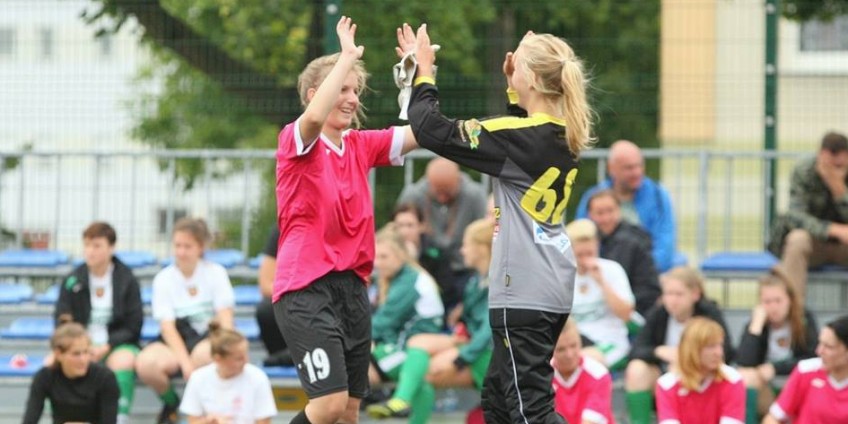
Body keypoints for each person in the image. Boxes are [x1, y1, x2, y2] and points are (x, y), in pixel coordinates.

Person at [402, 22, 593, 423]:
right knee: (499, 402)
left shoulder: (521, 137)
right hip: (549, 283)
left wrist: (424, 73)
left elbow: (429, 128)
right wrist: (513, 89)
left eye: (518, 63)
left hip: (522, 288)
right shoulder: (561, 133)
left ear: (534, 79)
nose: (511, 65)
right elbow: (514, 144)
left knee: (529, 412)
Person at [273, 16, 418, 424]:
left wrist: (421, 76)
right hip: (305, 288)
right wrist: (347, 56)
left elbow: (422, 132)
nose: (352, 98)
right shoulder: (297, 140)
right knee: (328, 406)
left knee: (349, 413)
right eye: (343, 89)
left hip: (352, 289)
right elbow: (312, 120)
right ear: (315, 94)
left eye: (356, 90)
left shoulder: (360, 145)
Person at [367, 219, 493, 424]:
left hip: (484, 353)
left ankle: (401, 401)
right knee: (417, 356)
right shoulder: (476, 281)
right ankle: (402, 402)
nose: (462, 250)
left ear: (481, 248)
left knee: (418, 368)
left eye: (466, 245)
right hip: (460, 343)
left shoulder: (409, 281)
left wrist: (462, 358)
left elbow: (489, 328)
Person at [136, 217, 235, 424]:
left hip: (207, 336)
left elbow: (225, 317)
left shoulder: (216, 273)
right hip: (177, 338)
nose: (181, 252)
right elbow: (167, 327)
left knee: (206, 356)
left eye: (187, 246)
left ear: (200, 247)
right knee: (145, 363)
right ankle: (172, 403)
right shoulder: (163, 278)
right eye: (177, 245)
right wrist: (185, 363)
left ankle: (204, 412)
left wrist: (226, 346)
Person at [52, 221, 142, 423]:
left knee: (122, 361)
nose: (90, 251)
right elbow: (62, 321)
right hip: (81, 343)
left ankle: (120, 417)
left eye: (97, 245)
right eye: (87, 245)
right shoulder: (73, 279)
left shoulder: (127, 279)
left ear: (111, 247)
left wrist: (107, 346)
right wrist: (81, 347)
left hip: (116, 345)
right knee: (52, 362)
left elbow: (134, 325)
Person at [624, 266, 734, 424]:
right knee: (637, 369)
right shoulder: (659, 313)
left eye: (679, 294)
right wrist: (658, 351)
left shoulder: (709, 314)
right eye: (668, 294)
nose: (673, 300)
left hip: (702, 378)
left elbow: (726, 352)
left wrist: (687, 361)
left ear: (695, 294)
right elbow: (636, 349)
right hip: (665, 376)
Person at [366, 225, 444, 422]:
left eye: (384, 257)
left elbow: (382, 323)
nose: (377, 263)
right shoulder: (401, 278)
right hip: (405, 346)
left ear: (400, 255)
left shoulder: (409, 282)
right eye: (376, 257)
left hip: (412, 350)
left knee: (354, 370)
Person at [396, 157, 488, 313]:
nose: (442, 198)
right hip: (426, 266)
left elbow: (485, 232)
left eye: (448, 192)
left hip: (464, 270)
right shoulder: (414, 195)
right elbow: (396, 230)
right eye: (438, 192)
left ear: (458, 181)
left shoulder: (474, 195)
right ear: (428, 183)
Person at [769, 132, 848, 302]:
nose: (837, 170)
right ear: (822, 156)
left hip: (843, 247)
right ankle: (794, 311)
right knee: (797, 239)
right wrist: (832, 230)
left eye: (841, 166)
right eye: (833, 165)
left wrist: (839, 191)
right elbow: (796, 216)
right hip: (813, 244)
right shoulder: (804, 171)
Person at [576, 140, 677, 272]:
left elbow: (665, 243)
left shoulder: (658, 195)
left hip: (648, 271)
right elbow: (581, 238)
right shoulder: (594, 197)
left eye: (639, 166)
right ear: (611, 169)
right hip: (602, 272)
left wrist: (643, 272)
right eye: (629, 168)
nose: (637, 172)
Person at [736, 265, 818, 423]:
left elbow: (812, 357)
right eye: (767, 302)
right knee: (745, 376)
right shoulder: (757, 323)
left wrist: (775, 368)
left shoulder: (804, 320)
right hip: (766, 386)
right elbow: (744, 362)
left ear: (789, 300)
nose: (773, 307)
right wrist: (756, 326)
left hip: (795, 381)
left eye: (778, 301)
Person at [565, 218, 635, 371]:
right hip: (573, 343)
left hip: (609, 343)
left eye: (590, 253)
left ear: (597, 245)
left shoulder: (612, 270)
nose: (585, 259)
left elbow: (626, 314)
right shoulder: (562, 274)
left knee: (584, 362)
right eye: (579, 254)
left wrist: (601, 282)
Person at [180, 322, 278, 423]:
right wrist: (209, 421)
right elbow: (193, 421)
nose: (246, 361)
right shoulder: (198, 378)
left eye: (246, 355)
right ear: (218, 359)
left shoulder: (258, 377)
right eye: (239, 358)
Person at [23, 322, 120, 424]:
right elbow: (30, 419)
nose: (83, 360)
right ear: (58, 354)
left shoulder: (105, 377)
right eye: (76, 354)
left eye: (86, 352)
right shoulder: (45, 377)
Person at [654, 317, 745, 424]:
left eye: (720, 345)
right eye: (711, 346)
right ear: (691, 349)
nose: (719, 352)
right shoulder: (666, 385)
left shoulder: (732, 380)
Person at [586, 189, 661, 316]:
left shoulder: (631, 240)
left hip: (634, 311)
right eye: (600, 213)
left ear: (619, 210)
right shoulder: (590, 239)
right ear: (590, 215)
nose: (606, 218)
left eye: (610, 211)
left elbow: (648, 289)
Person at [763, 315, 848, 423]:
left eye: (828, 347)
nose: (819, 351)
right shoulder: (805, 370)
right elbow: (772, 418)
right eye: (820, 343)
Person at [391, 203, 453, 316]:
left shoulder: (436, 253)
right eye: (399, 226)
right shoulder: (387, 252)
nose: (404, 231)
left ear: (421, 226)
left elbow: (446, 289)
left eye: (410, 225)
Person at [551, 318, 615, 424]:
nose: (569, 355)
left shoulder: (598, 375)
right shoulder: (542, 377)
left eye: (573, 345)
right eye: (561, 349)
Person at [255, 227, 292, 366]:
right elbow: (265, 284)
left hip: (322, 298)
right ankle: (283, 357)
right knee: (266, 310)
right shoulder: (282, 229)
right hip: (294, 297)